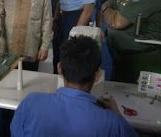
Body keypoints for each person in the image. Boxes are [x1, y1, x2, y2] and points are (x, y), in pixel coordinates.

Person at [10, 36, 138, 136]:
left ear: (59, 68)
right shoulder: (111, 122)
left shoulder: (30, 102)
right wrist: (118, 116)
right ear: (97, 75)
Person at [95, 0, 125, 80]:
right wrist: (99, 28)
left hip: (134, 33)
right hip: (112, 30)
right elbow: (100, 7)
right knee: (114, 63)